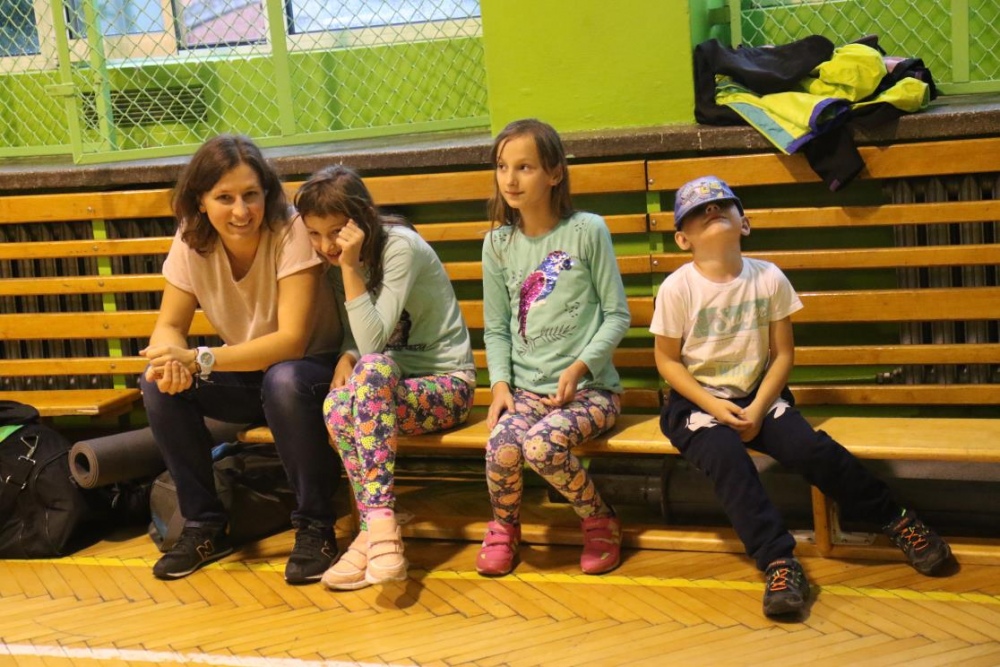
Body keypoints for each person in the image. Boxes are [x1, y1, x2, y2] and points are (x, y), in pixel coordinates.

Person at [651, 175, 954, 618]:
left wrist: (758, 408)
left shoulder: (768, 277)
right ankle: (778, 561)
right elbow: (667, 362)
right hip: (697, 403)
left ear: (745, 223)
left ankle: (896, 518)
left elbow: (783, 355)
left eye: (721, 205)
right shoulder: (677, 288)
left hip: (760, 394)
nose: (711, 211)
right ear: (683, 239)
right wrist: (715, 407)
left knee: (810, 448)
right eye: (698, 211)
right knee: (726, 457)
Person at [140, 134, 349, 584]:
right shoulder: (190, 238)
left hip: (313, 374)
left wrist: (199, 359)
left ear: (266, 194)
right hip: (249, 376)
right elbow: (169, 324)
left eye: (251, 195)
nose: (241, 211)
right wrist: (168, 359)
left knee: (283, 380)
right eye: (225, 198)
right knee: (156, 381)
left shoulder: (290, 229)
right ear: (200, 201)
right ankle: (203, 526)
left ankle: (316, 527)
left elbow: (291, 341)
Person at [294, 165, 476, 590]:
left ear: (361, 220)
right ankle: (377, 532)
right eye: (314, 234)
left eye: (335, 232)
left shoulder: (399, 247)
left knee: (372, 369)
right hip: (384, 392)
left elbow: (374, 344)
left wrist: (350, 268)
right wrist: (346, 354)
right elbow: (359, 335)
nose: (326, 246)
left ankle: (374, 525)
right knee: (336, 405)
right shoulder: (337, 261)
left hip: (447, 386)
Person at [477, 119, 631, 577]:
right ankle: (505, 527)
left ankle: (599, 519)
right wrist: (500, 385)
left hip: (592, 392)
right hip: (525, 392)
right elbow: (496, 328)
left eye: (524, 167)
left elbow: (617, 315)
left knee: (542, 447)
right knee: (502, 446)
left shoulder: (588, 230)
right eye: (502, 166)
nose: (510, 179)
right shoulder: (496, 244)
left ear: (555, 173)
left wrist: (580, 367)